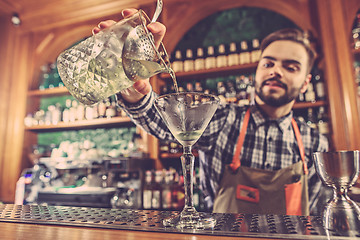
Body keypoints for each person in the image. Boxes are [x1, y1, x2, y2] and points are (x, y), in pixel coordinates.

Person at [93, 9, 329, 215]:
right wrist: (134, 91)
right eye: (268, 63)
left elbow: (318, 212)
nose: (276, 71)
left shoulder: (315, 143)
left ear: (306, 82)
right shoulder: (225, 119)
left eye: (290, 67)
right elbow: (161, 119)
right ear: (257, 70)